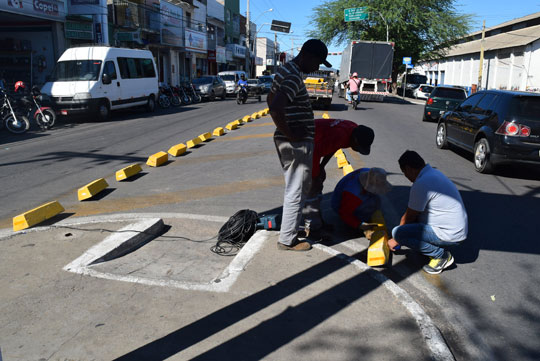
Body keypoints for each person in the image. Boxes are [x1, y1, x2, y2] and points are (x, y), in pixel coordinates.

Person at [268, 39, 332, 251]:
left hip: (290, 140)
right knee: (297, 190)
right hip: (296, 144)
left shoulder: (285, 70)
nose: (317, 68)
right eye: (317, 62)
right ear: (305, 55)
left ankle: (288, 234)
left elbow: (270, 98)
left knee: (293, 188)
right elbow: (275, 107)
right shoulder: (293, 75)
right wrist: (292, 133)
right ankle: (288, 240)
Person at [387, 150, 468, 274]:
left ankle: (441, 256)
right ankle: (431, 247)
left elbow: (409, 216)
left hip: (450, 235)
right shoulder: (433, 173)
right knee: (411, 221)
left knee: (398, 232)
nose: (407, 177)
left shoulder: (421, 184)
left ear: (409, 169)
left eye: (404, 173)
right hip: (457, 231)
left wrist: (396, 238)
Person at [303, 118, 375, 232]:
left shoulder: (353, 129)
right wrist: (315, 175)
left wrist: (322, 167)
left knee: (318, 182)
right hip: (297, 142)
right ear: (355, 140)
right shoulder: (340, 135)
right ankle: (313, 227)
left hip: (311, 144)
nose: (357, 150)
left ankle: (317, 221)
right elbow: (315, 153)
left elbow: (334, 147)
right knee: (312, 189)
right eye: (359, 147)